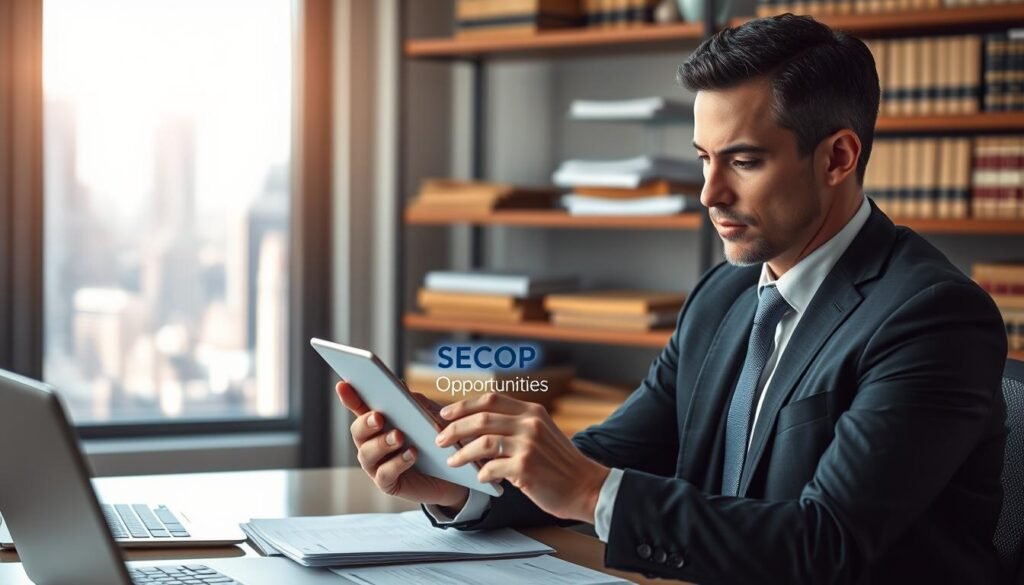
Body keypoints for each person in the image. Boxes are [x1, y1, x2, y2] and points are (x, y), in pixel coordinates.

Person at [337, 14, 1009, 584]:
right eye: (703, 158)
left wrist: (589, 490)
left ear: (837, 158)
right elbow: (619, 452)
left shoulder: (932, 317)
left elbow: (825, 545)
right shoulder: (723, 295)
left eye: (743, 161)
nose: (709, 194)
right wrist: (460, 479)